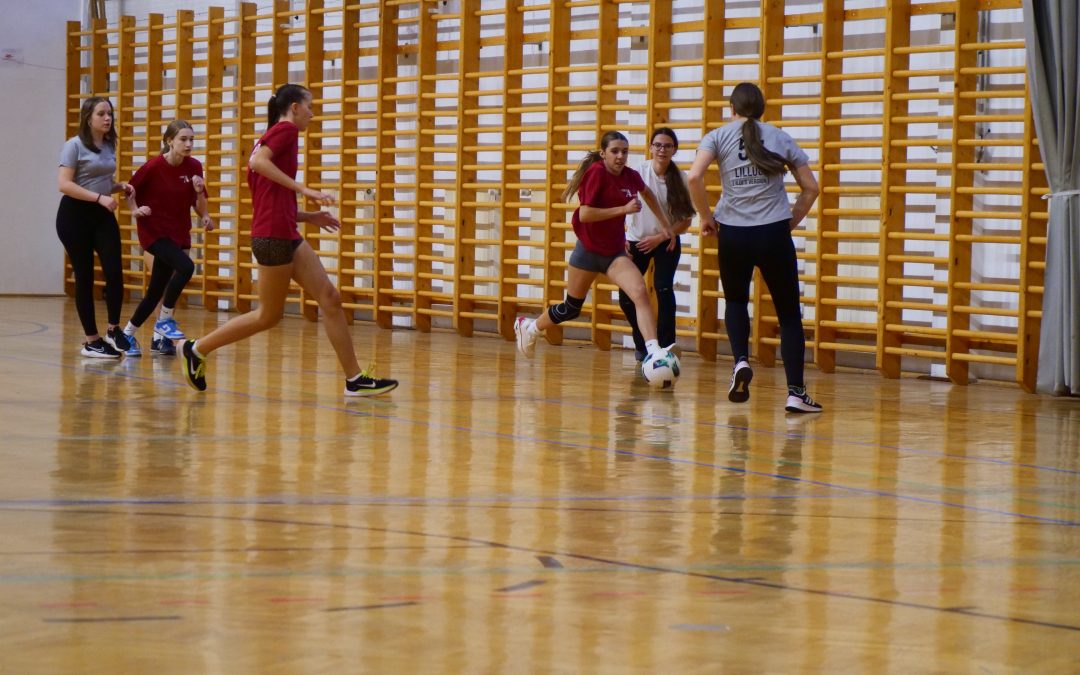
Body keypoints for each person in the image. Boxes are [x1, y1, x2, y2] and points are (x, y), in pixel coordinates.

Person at [179, 83, 398, 397]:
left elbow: (271, 200)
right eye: (310, 107)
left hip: (285, 233)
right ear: (294, 107)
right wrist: (303, 189)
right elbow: (257, 163)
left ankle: (355, 380)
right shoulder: (285, 131)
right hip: (272, 238)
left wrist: (308, 216)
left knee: (330, 298)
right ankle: (197, 348)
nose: (312, 113)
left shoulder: (274, 136)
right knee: (268, 316)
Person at [687, 82, 823, 413]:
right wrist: (789, 222)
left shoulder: (717, 136)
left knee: (735, 301)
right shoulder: (778, 136)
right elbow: (811, 188)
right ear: (762, 108)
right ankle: (796, 393)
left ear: (731, 108)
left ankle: (740, 361)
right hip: (773, 232)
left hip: (733, 233)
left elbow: (693, 178)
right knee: (788, 314)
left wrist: (706, 217)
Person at [514, 131, 674, 373]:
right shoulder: (596, 173)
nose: (620, 156)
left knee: (640, 292)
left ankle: (654, 352)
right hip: (588, 252)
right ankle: (530, 327)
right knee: (571, 308)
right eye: (615, 151)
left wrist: (665, 225)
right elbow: (585, 214)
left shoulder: (631, 176)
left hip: (614, 254)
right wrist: (623, 209)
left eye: (625, 151)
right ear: (603, 153)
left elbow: (648, 194)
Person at [120, 120, 213, 357]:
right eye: (183, 139)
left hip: (178, 233)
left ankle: (126, 335)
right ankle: (164, 320)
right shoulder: (153, 167)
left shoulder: (194, 166)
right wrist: (135, 210)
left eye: (191, 139)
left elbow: (199, 203)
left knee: (155, 291)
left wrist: (204, 212)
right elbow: (129, 191)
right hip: (154, 232)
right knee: (186, 267)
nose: (189, 144)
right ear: (169, 141)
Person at [56, 97, 135, 358]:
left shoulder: (109, 144)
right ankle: (92, 340)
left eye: (109, 113)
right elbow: (65, 184)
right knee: (85, 276)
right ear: (88, 118)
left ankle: (113, 329)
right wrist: (100, 198)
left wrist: (119, 186)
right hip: (74, 217)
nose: (107, 118)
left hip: (102, 216)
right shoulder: (73, 145)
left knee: (114, 271)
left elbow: (101, 180)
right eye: (101, 113)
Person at [620, 127, 695, 362]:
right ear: (651, 148)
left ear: (674, 150)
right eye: (658, 145)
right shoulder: (637, 173)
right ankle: (643, 343)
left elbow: (686, 221)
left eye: (668, 146)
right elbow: (620, 205)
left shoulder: (681, 179)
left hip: (666, 241)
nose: (662, 149)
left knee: (663, 289)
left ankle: (667, 346)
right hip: (636, 240)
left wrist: (661, 237)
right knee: (627, 295)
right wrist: (621, 238)